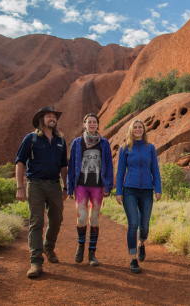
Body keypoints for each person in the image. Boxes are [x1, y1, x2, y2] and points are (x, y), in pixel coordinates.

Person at [15, 107, 68, 278]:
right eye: (49, 116)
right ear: (41, 119)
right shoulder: (31, 139)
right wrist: (20, 187)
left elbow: (63, 166)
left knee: (57, 220)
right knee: (36, 222)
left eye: (54, 116)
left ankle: (49, 246)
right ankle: (36, 262)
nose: (52, 118)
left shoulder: (60, 140)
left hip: (54, 185)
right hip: (35, 184)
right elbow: (20, 162)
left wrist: (66, 186)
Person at [115, 119, 163, 273]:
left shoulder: (150, 148)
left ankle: (141, 244)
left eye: (140, 127)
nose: (137, 129)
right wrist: (118, 191)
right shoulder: (125, 148)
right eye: (135, 127)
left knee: (145, 226)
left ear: (143, 130)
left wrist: (158, 188)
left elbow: (155, 169)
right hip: (130, 189)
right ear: (131, 130)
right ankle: (133, 259)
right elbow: (121, 170)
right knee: (133, 224)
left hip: (147, 191)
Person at [67, 113, 113, 267]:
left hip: (98, 186)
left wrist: (108, 184)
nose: (92, 124)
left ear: (98, 125)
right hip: (81, 185)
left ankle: (92, 253)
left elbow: (108, 163)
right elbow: (72, 165)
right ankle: (81, 246)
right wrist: (69, 186)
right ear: (84, 125)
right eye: (89, 122)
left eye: (94, 122)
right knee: (81, 218)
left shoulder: (104, 143)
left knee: (94, 218)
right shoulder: (77, 143)